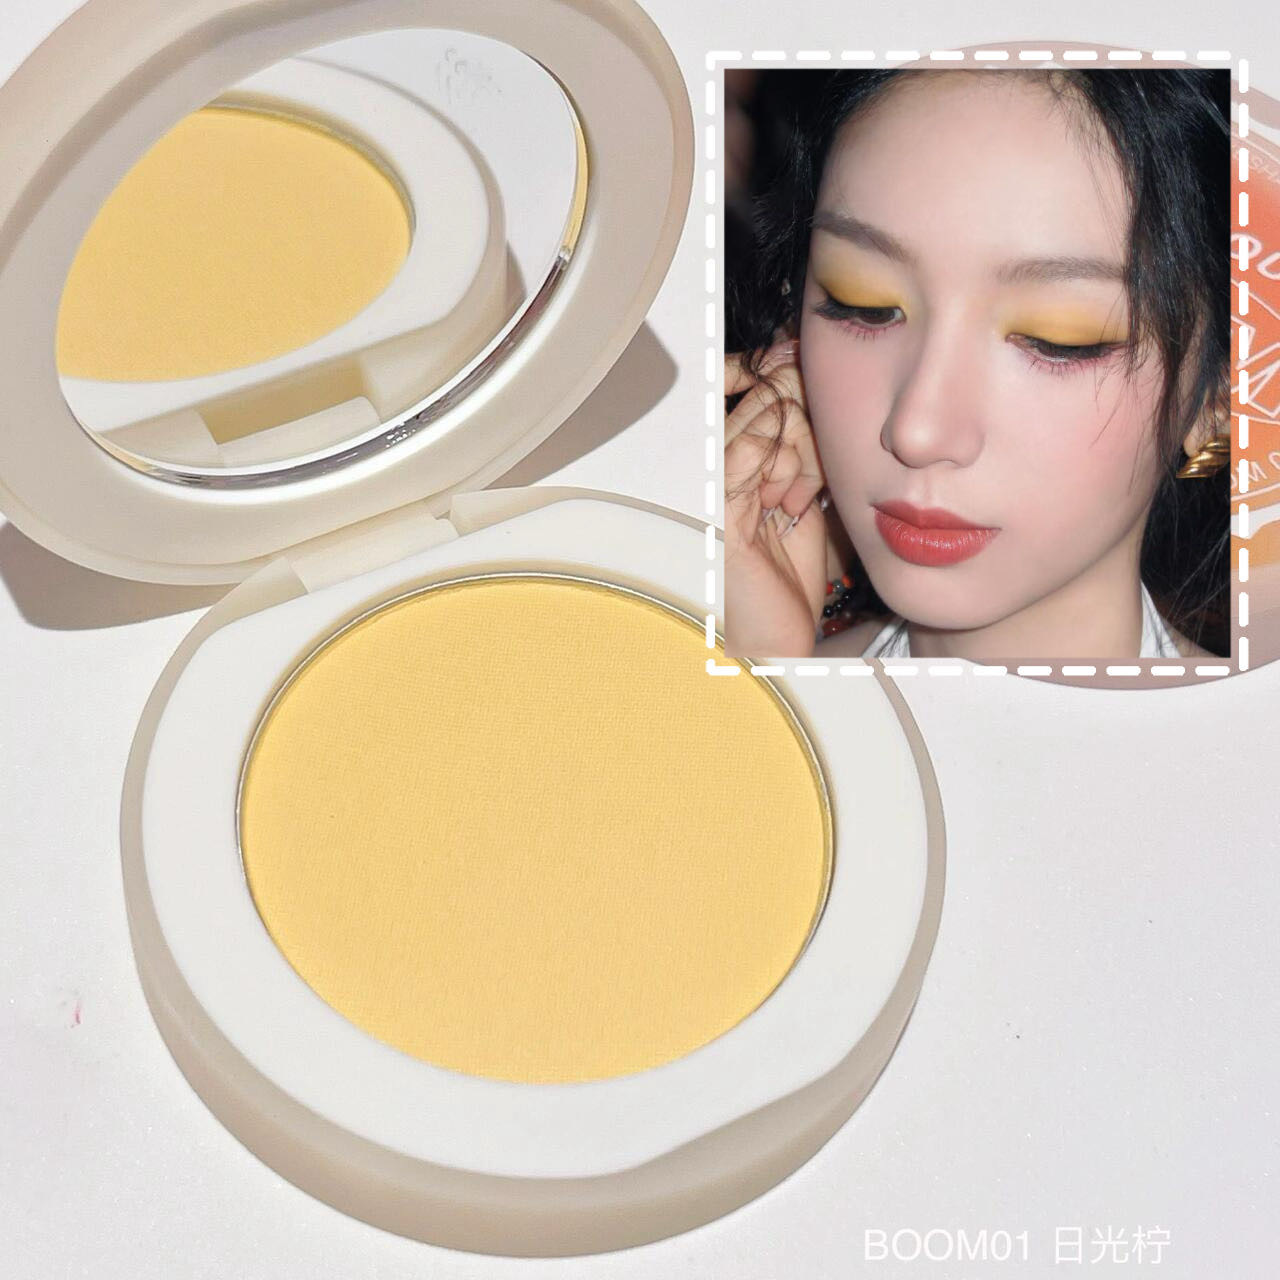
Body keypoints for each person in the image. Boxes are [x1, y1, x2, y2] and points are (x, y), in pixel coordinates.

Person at [724, 68, 1231, 660]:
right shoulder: (759, 668)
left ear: (1219, 397)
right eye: (863, 303)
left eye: (1055, 339)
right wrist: (760, 677)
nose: (917, 432)